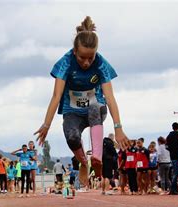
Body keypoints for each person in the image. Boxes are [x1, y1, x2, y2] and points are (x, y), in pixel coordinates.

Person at [34, 16, 130, 191]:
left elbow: (109, 97)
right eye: (82, 58)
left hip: (96, 107)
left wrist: (118, 127)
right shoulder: (65, 63)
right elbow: (56, 96)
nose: (86, 63)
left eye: (90, 58)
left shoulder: (101, 64)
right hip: (73, 111)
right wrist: (46, 124)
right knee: (71, 136)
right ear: (74, 52)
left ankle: (97, 157)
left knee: (95, 108)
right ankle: (84, 163)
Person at [166, 122, 178, 195]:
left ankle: (173, 189)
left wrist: (171, 150)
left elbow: (166, 146)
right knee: (176, 173)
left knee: (174, 172)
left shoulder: (169, 136)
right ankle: (173, 189)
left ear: (172, 127)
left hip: (172, 155)